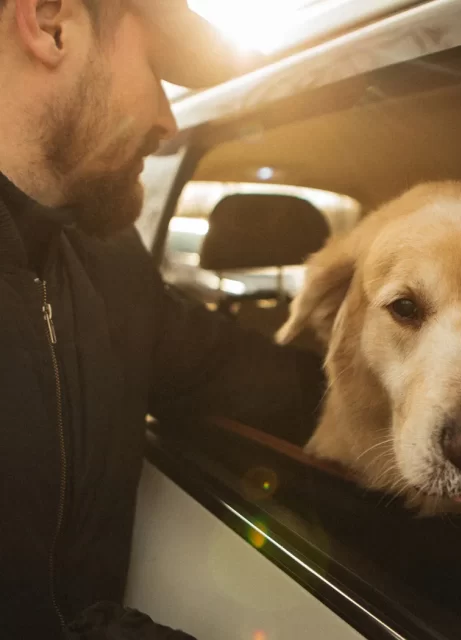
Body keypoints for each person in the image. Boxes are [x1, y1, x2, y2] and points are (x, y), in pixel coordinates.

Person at [0, 1, 325, 637]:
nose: (169, 121)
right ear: (49, 23)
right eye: (157, 71)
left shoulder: (112, 267)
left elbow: (261, 380)